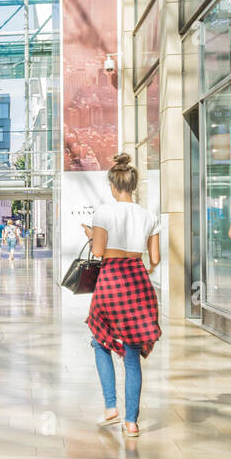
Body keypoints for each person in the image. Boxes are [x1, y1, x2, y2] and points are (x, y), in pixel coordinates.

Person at [80, 153, 161, 437]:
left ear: (114, 187)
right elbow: (155, 257)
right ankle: (131, 423)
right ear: (133, 186)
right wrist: (148, 269)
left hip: (112, 279)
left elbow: (99, 252)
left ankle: (110, 406)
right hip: (137, 281)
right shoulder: (149, 215)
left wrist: (91, 235)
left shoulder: (104, 212)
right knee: (132, 353)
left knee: (99, 339)